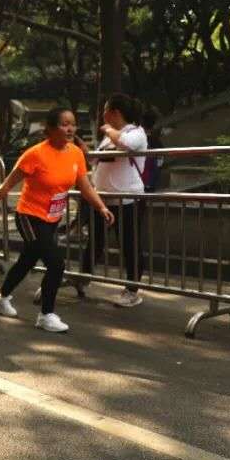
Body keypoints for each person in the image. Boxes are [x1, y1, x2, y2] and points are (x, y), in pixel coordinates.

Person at [0, 107, 114, 333]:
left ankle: (1, 296)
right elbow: (6, 186)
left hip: (52, 218)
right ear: (51, 128)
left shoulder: (76, 153)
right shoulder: (35, 154)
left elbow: (84, 185)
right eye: (64, 124)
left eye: (73, 124)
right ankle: (46, 315)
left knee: (27, 260)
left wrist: (101, 206)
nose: (70, 129)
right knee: (56, 263)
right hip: (29, 217)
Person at [77, 93, 149, 307]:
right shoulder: (109, 138)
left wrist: (108, 129)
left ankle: (132, 290)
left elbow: (125, 144)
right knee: (94, 241)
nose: (103, 114)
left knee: (129, 244)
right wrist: (86, 151)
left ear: (115, 112)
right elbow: (98, 161)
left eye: (105, 110)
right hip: (102, 200)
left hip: (128, 201)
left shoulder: (136, 132)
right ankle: (83, 277)